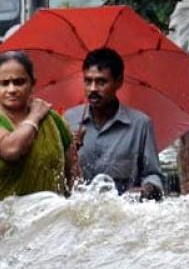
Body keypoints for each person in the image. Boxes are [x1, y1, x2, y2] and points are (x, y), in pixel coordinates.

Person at [0, 51, 78, 200]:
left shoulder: (52, 119)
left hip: (52, 215)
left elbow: (73, 174)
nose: (12, 89)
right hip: (5, 217)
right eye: (4, 83)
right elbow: (11, 150)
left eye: (19, 82)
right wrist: (34, 116)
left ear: (32, 84)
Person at [64, 47, 164, 200]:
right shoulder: (70, 119)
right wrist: (70, 151)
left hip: (123, 211)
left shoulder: (140, 124)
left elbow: (153, 175)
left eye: (101, 82)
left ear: (119, 81)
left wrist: (145, 190)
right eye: (88, 81)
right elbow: (56, 174)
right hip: (80, 211)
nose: (92, 89)